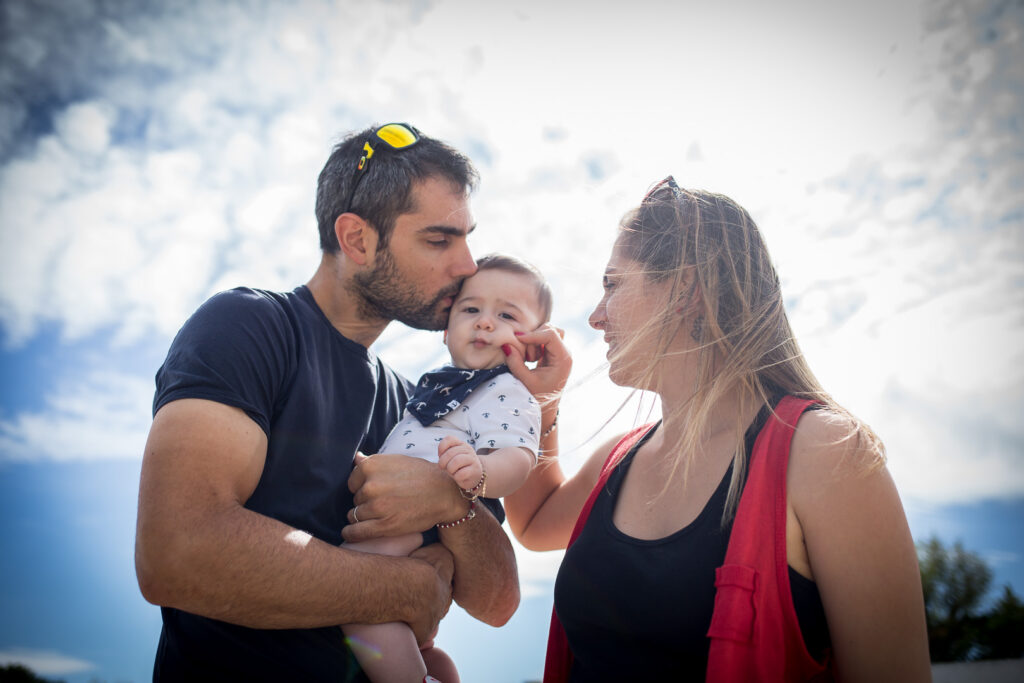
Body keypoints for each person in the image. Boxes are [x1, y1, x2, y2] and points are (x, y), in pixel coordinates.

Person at [134, 122, 570, 682]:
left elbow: (497, 601)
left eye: (466, 237)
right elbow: (178, 551)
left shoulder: (422, 403)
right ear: (358, 240)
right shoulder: (249, 326)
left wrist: (449, 501)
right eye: (440, 241)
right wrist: (410, 586)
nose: (467, 265)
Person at [505, 177, 931, 682]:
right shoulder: (615, 460)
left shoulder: (828, 454)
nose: (597, 317)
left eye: (612, 284)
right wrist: (537, 402)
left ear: (685, 287)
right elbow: (532, 523)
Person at [343, 254, 554, 682]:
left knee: (355, 595)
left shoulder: (508, 391)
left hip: (413, 518)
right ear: (445, 330)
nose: (484, 323)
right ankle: (430, 662)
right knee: (395, 617)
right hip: (401, 512)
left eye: (506, 314)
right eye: (471, 309)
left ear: (532, 343)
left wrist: (478, 473)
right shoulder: (438, 383)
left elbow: (518, 459)